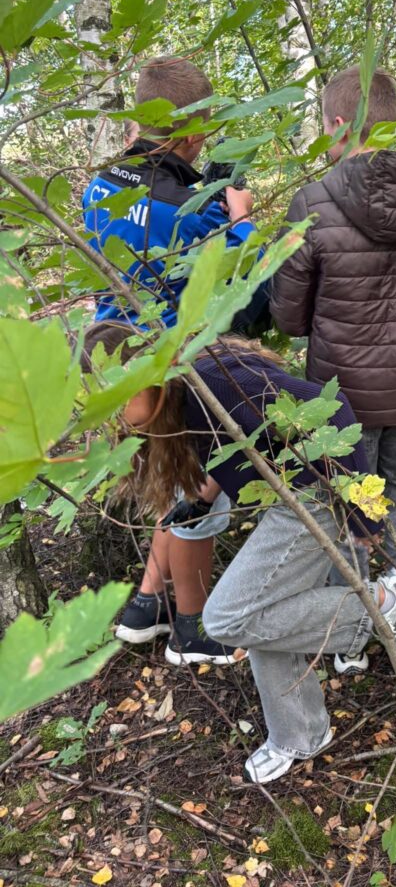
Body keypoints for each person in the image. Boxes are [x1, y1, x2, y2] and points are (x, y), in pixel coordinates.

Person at [80, 323, 396, 784]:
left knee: (228, 618)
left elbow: (333, 412)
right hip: (286, 495)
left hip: (314, 494)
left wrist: (361, 511)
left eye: (116, 402)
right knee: (266, 615)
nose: (115, 421)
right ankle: (299, 734)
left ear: (145, 374)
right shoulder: (181, 398)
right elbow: (229, 442)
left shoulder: (217, 381)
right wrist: (202, 499)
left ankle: (386, 605)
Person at [270, 66, 396, 675]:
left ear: (340, 124)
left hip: (338, 396)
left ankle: (349, 637)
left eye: (325, 126)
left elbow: (290, 317)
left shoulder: (312, 203)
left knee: (344, 508)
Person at [81, 56, 259, 665]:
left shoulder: (99, 185)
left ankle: (146, 605)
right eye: (204, 131)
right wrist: (240, 219)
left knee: (166, 481)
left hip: (113, 354)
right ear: (191, 131)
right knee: (193, 492)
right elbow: (241, 283)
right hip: (170, 362)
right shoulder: (190, 210)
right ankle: (192, 628)